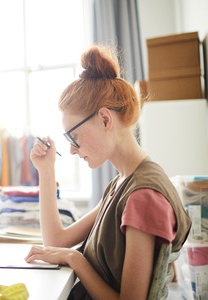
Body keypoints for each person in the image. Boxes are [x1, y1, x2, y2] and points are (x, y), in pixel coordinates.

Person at [24, 45, 191, 299]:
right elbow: (56, 240)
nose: (71, 149)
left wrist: (76, 259)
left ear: (104, 119)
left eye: (74, 136)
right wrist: (46, 172)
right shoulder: (122, 184)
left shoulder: (142, 196)